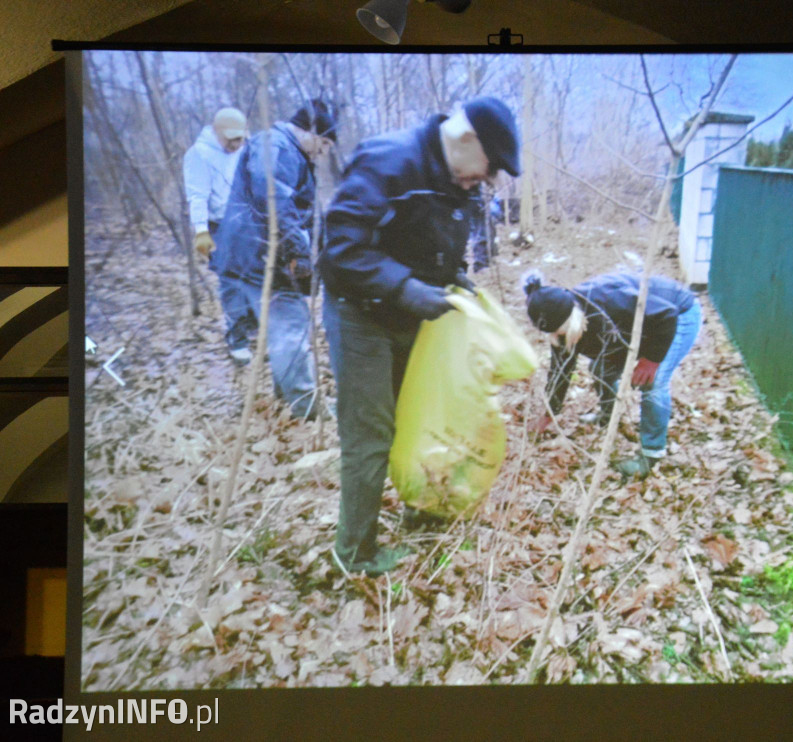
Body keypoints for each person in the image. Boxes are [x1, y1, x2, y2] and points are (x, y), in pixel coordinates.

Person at [319, 96, 521, 576]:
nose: (486, 181)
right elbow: (340, 251)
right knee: (371, 435)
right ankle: (356, 554)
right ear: (466, 138)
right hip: (361, 313)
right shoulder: (390, 161)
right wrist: (405, 287)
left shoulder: (457, 177)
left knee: (424, 415)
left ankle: (420, 506)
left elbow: (436, 240)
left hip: (412, 314)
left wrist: (453, 276)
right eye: (487, 168)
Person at [213, 99, 339, 420]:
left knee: (285, 328)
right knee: (291, 327)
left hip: (255, 254)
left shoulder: (285, 149)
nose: (323, 151)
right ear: (310, 132)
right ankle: (308, 409)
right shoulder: (275, 145)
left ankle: (289, 400)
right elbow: (274, 200)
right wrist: (297, 252)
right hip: (260, 256)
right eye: (324, 142)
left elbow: (300, 210)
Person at [523, 270, 702, 478]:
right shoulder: (558, 323)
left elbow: (666, 314)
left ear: (574, 317)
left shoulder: (611, 301)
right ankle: (608, 416)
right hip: (639, 326)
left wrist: (652, 359)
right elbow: (560, 370)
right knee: (600, 370)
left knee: (654, 382)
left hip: (676, 315)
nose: (561, 339)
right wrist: (549, 413)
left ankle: (651, 455)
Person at [182, 107, 255, 363]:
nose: (237, 144)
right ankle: (238, 342)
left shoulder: (244, 148)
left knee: (254, 278)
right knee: (232, 284)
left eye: (240, 138)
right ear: (217, 133)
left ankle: (254, 327)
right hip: (219, 226)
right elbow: (197, 196)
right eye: (232, 139)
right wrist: (201, 230)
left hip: (247, 222)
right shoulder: (199, 155)